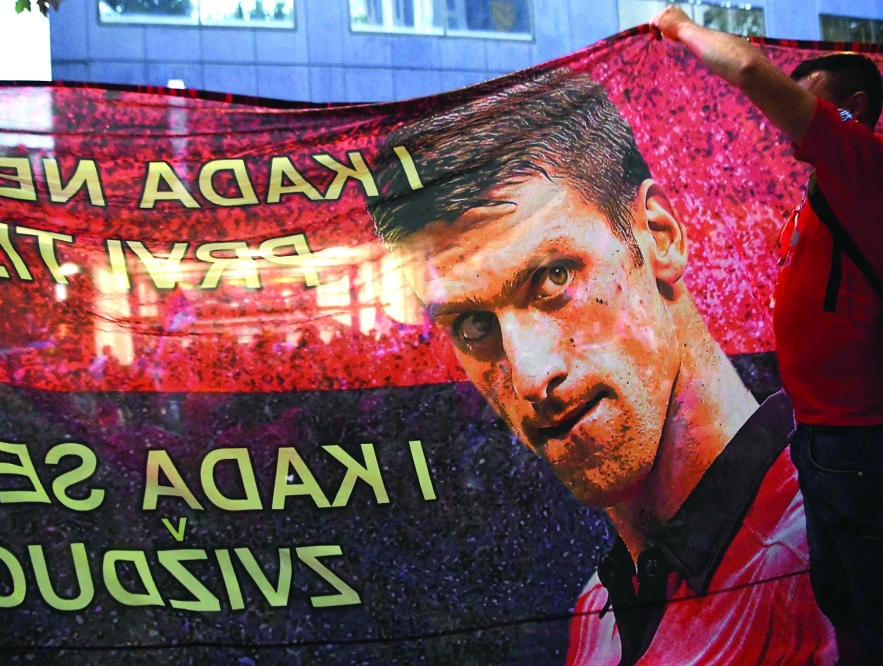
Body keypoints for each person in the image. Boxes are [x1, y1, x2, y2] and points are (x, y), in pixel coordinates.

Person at [367, 68, 836, 665]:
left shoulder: (839, 552)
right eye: (473, 326)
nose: (531, 376)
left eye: (554, 278)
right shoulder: (596, 614)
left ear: (659, 237)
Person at [650, 9, 883, 664]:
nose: (790, 109)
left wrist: (683, 27)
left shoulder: (864, 167)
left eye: (809, 95)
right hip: (821, 438)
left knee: (871, 600)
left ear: (854, 108)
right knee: (843, 603)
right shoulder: (819, 195)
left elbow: (750, 69)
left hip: (860, 442)